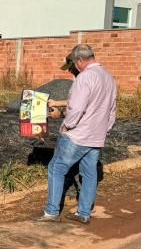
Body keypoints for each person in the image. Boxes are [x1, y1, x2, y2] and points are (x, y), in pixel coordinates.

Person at [34, 44, 116, 224]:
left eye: (74, 64)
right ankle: (84, 213)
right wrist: (104, 130)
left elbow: (77, 108)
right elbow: (111, 110)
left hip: (78, 136)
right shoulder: (108, 77)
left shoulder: (84, 77)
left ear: (79, 60)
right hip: (96, 136)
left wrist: (66, 124)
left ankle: (52, 212)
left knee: (56, 168)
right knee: (89, 173)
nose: (74, 69)